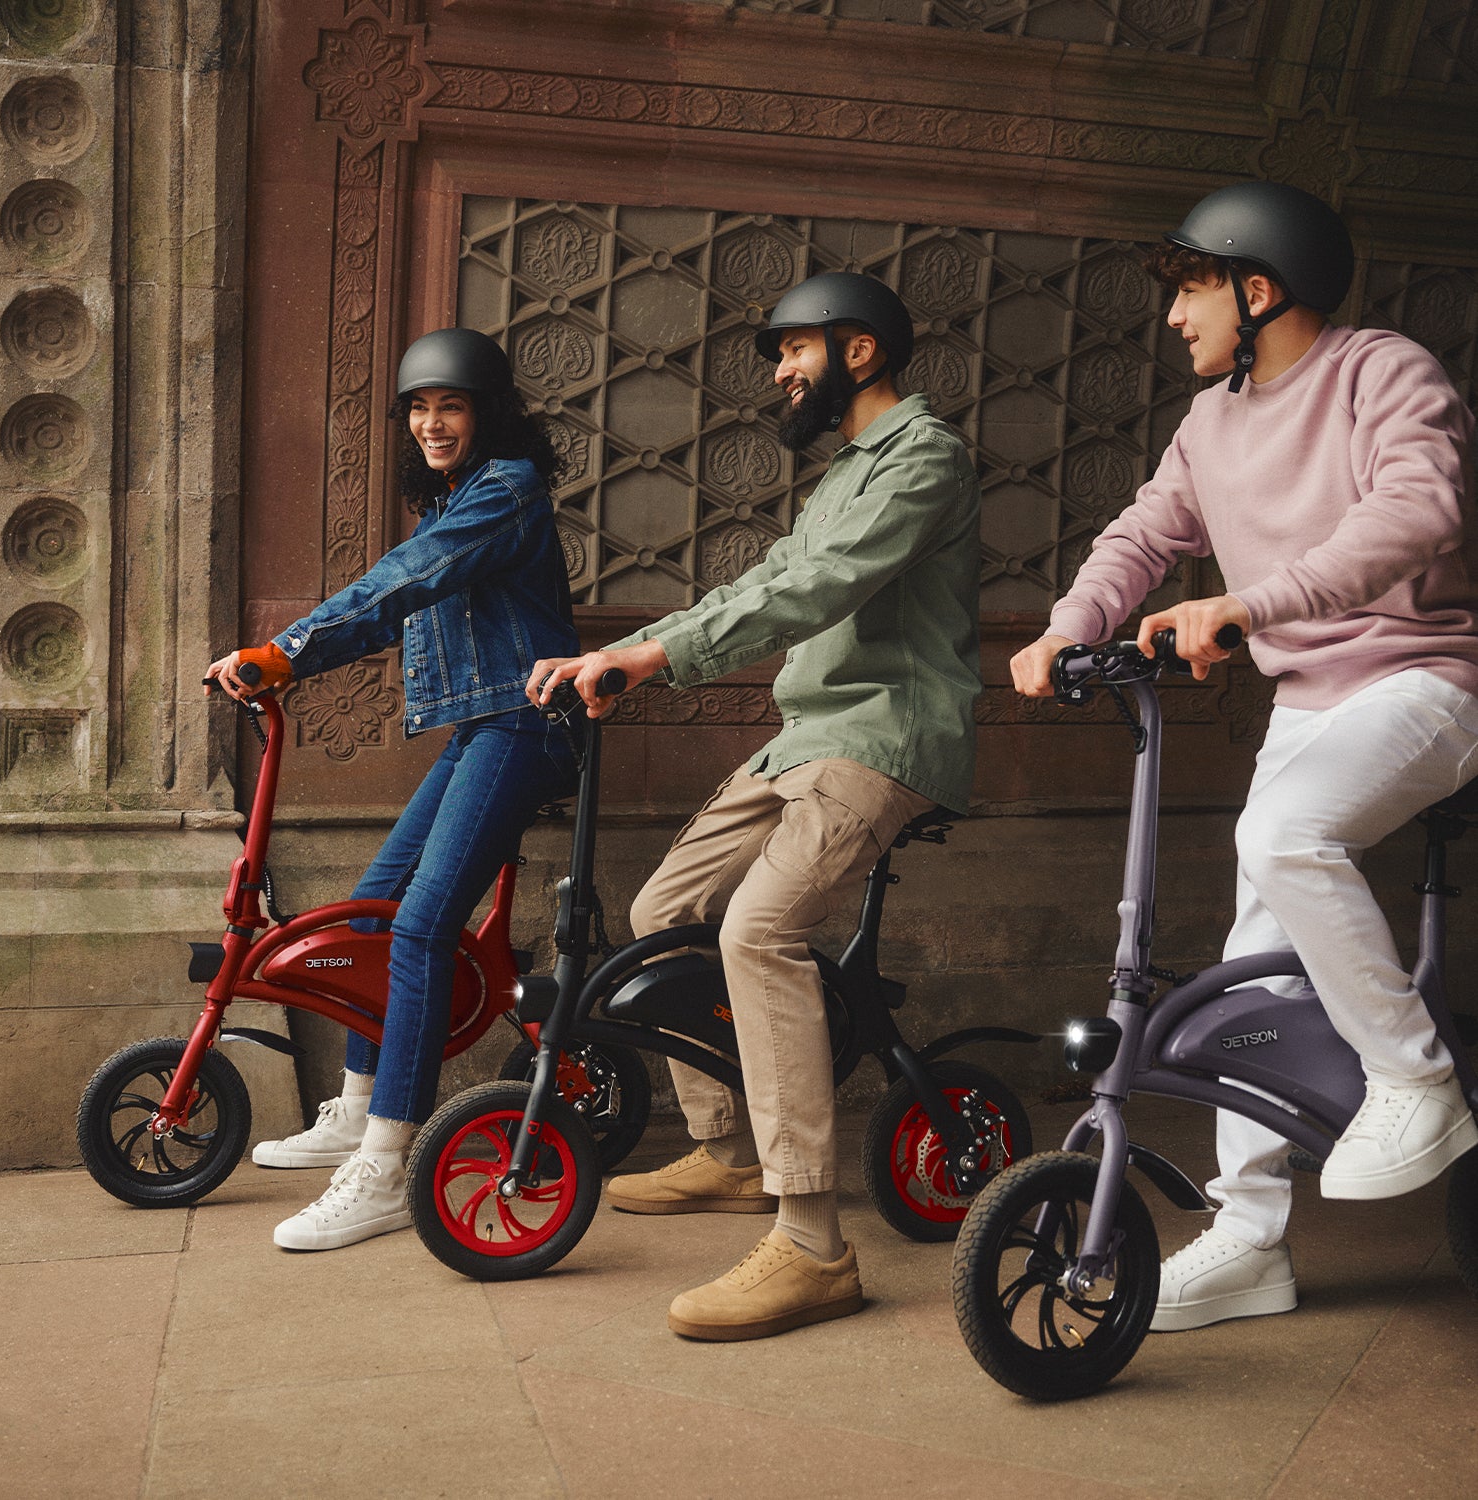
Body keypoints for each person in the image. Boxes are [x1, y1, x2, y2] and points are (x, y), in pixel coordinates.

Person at [1009, 180, 1478, 1331]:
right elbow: (1146, 530)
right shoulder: (1209, 422)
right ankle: (1250, 1239)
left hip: (1427, 681)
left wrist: (1252, 604)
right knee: (1250, 976)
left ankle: (1417, 1080)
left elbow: (1417, 512)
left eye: (1192, 289)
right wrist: (1073, 623)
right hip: (1310, 708)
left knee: (1282, 835)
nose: (1175, 317)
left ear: (1257, 289)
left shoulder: (1384, 371)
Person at [528, 271, 982, 1341]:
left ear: (858, 351)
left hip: (884, 738)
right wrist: (628, 653)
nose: (779, 371)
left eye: (793, 350)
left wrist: (657, 654)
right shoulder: (844, 474)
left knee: (759, 928)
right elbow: (763, 580)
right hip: (805, 739)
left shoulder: (922, 458)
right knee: (660, 916)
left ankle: (815, 1244)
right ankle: (733, 1150)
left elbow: (817, 588)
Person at [205, 328, 579, 1252]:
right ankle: (357, 1104)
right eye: (417, 407)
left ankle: (385, 1162)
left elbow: (401, 584)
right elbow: (397, 603)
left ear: (488, 412)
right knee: (373, 911)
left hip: (523, 727)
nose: (430, 423)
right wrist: (289, 663)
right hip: (482, 725)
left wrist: (284, 651)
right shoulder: (455, 500)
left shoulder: (504, 493)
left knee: (417, 927)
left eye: (449, 405)